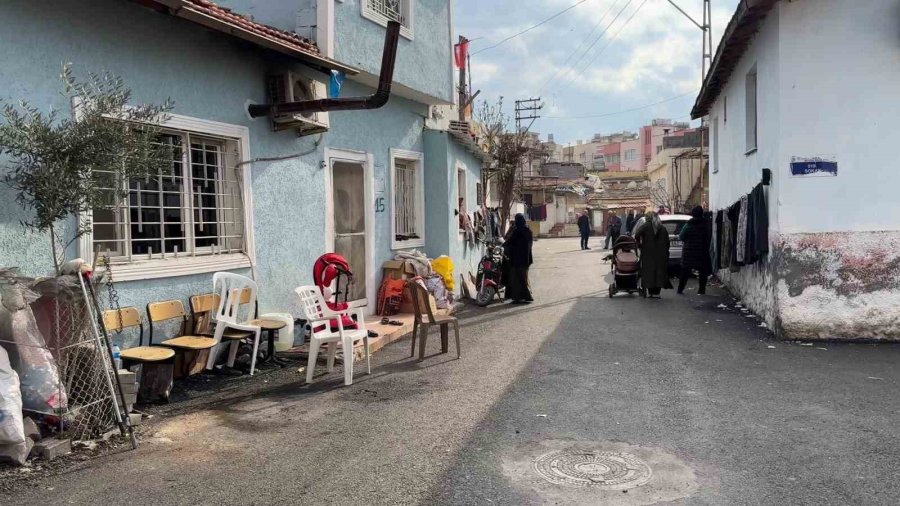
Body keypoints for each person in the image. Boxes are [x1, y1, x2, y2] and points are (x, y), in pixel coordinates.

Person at [635, 211, 671, 298]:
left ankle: (650, 292)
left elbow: (637, 234)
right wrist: (665, 251)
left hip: (648, 253)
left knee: (649, 271)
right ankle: (657, 292)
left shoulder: (646, 226)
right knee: (659, 271)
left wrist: (639, 244)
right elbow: (667, 242)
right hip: (661, 254)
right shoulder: (662, 227)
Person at [678, 206, 713, 295]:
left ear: (692, 214)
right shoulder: (706, 225)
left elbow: (681, 237)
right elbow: (709, 237)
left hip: (689, 252)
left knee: (685, 272)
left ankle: (680, 289)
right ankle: (701, 290)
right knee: (702, 272)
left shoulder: (688, 225)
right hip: (702, 251)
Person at [503, 214, 534, 304]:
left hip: (517, 259)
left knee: (516, 278)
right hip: (527, 259)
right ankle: (523, 296)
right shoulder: (528, 230)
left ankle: (521, 297)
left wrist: (503, 245)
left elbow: (509, 241)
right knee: (524, 278)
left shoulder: (517, 231)